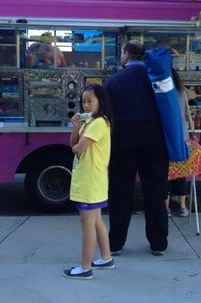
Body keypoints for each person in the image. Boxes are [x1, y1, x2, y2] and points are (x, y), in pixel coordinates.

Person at [104, 40, 169, 256]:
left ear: (125, 55)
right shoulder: (158, 77)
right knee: (155, 192)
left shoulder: (113, 81)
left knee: (120, 191)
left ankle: (115, 244)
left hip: (122, 139)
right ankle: (158, 243)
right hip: (155, 139)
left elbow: (104, 115)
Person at [63, 84, 114, 280]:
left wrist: (77, 140)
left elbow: (78, 149)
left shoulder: (99, 123)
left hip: (90, 180)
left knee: (87, 224)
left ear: (101, 102)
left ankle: (85, 268)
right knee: (97, 220)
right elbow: (72, 144)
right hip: (91, 179)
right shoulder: (90, 121)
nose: (86, 105)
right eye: (83, 101)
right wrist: (76, 127)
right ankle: (106, 258)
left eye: (90, 101)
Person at [165, 69, 192, 217]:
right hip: (183, 136)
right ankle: (182, 206)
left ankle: (166, 207)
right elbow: (194, 95)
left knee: (166, 173)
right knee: (181, 172)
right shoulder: (182, 90)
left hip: (167, 136)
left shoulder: (163, 91)